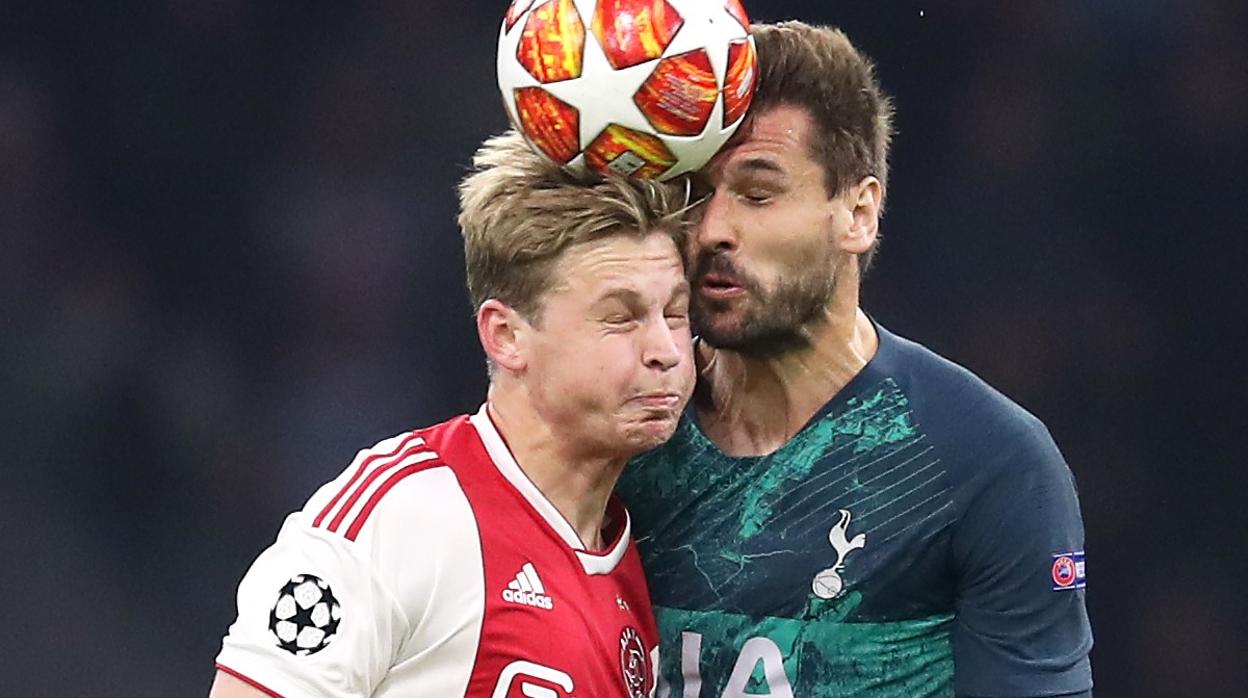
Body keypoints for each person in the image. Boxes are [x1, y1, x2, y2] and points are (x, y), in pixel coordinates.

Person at [616, 21, 1094, 698]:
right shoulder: (622, 436)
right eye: (696, 193)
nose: (713, 229)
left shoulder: (985, 461)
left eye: (757, 193)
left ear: (859, 213)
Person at [209, 130, 696, 698]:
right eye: (621, 318)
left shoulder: (632, 567)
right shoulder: (407, 514)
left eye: (676, 313)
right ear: (507, 336)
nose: (665, 349)